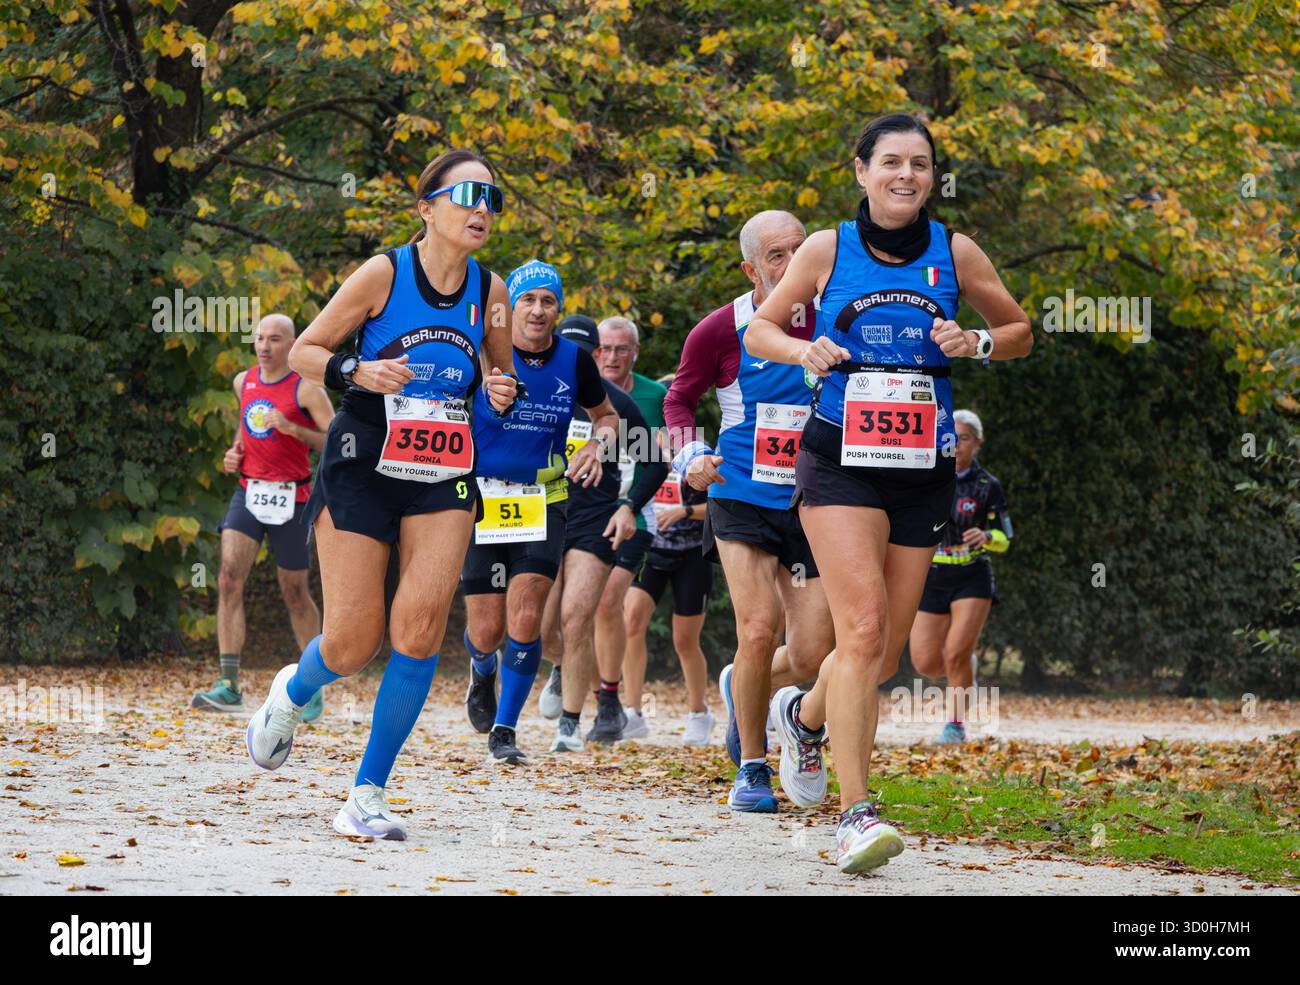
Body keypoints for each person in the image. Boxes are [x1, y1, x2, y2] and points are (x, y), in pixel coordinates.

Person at [746, 113, 1032, 872]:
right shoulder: (827, 248)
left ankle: (802, 718)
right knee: (864, 628)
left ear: (933, 176)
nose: (907, 175)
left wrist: (974, 342)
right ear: (863, 170)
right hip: (839, 456)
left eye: (921, 164)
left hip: (923, 469)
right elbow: (760, 332)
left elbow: (1018, 329)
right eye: (892, 162)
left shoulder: (955, 251)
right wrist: (805, 346)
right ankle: (857, 813)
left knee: (878, 656)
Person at [244, 149, 519, 841]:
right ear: (426, 207)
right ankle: (292, 692)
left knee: (420, 628)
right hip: (364, 455)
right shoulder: (384, 272)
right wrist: (357, 369)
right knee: (351, 640)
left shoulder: (494, 290)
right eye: (467, 194)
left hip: (444, 463)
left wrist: (500, 387)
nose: (482, 207)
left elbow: (501, 371)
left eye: (492, 196)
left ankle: (367, 791)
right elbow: (307, 350)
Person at [666, 210, 836, 812]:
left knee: (815, 652)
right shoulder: (721, 328)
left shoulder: (838, 315)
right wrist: (690, 455)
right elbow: (679, 398)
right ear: (751, 268)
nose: (791, 265)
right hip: (739, 494)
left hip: (815, 500)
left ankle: (749, 682)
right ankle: (754, 768)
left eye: (799, 250)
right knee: (757, 627)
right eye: (776, 256)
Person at [459, 260, 619, 764]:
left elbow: (607, 416)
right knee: (485, 631)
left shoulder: (574, 360)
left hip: (543, 500)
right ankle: (481, 669)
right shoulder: (480, 354)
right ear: (508, 309)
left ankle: (504, 731)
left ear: (558, 309)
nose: (537, 309)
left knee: (525, 617)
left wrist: (597, 445)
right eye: (527, 299)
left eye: (548, 300)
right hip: (483, 498)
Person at [193, 314, 334, 722]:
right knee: (227, 578)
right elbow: (245, 432)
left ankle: (314, 687)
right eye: (259, 338)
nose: (264, 346)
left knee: (294, 592)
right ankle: (229, 684)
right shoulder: (243, 381)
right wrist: (233, 454)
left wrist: (293, 429)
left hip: (293, 497)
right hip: (249, 491)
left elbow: (335, 438)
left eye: (274, 339)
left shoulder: (306, 387)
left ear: (292, 345)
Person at [539, 316, 668, 751]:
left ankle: (571, 726)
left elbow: (654, 461)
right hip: (540, 513)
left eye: (582, 354)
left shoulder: (615, 403)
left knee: (578, 617)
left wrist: (629, 508)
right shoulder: (534, 392)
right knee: (540, 628)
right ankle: (561, 666)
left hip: (596, 518)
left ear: (589, 356)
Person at [909, 409, 1011, 743]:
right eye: (951, 437)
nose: (956, 444)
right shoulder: (926, 476)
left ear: (977, 443)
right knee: (925, 663)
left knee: (955, 653)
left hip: (972, 577)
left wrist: (987, 537)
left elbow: (1005, 537)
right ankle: (967, 671)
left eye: (964, 438)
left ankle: (955, 725)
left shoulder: (987, 486)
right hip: (932, 574)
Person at [591, 317, 669, 742]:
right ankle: (568, 677)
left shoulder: (652, 396)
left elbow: (657, 460)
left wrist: (630, 502)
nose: (613, 357)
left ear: (635, 353)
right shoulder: (578, 388)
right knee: (573, 605)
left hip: (634, 512)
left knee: (607, 602)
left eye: (622, 349)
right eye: (605, 348)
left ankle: (609, 700)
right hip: (582, 511)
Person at [622, 389, 715, 745]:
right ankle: (632, 711)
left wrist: (686, 511)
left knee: (684, 639)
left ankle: (698, 713)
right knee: (631, 621)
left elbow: (722, 503)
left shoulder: (701, 453)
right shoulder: (643, 451)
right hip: (652, 550)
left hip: (691, 552)